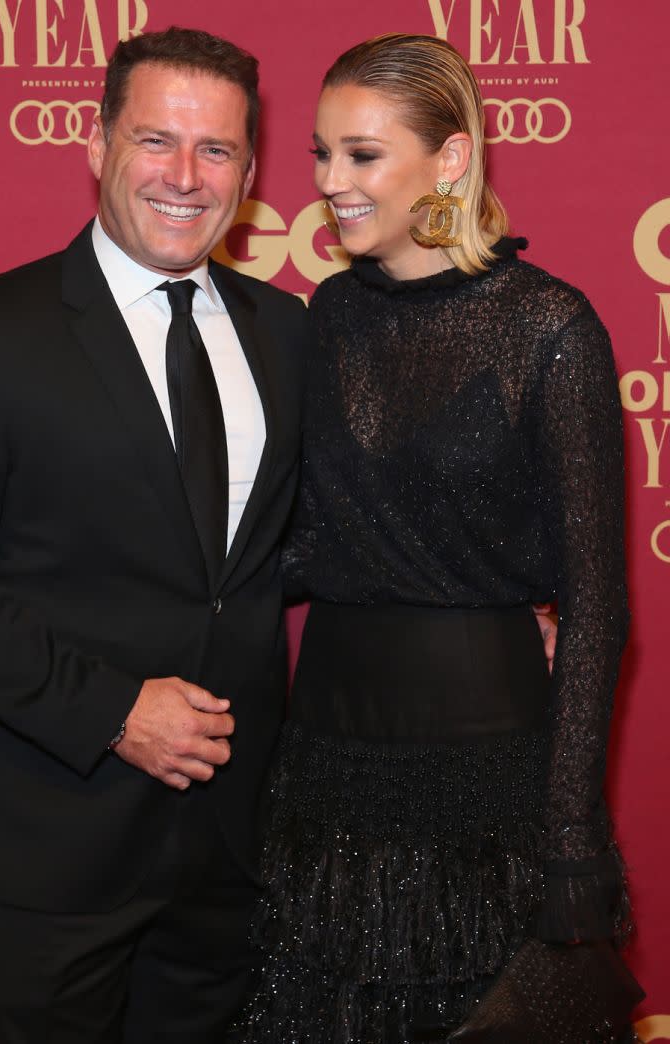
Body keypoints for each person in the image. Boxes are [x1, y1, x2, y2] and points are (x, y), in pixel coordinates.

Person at [0, 27, 309, 1044]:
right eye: (154, 140)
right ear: (97, 144)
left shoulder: (288, 334)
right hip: (55, 829)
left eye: (215, 151)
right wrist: (115, 711)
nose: (183, 175)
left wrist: (500, 601)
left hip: (231, 840)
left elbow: (307, 545)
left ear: (248, 172)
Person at [234, 33, 632, 1044]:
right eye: (320, 154)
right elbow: (304, 537)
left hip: (480, 758)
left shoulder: (549, 328)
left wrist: (569, 833)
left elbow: (594, 609)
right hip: (322, 747)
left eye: (361, 155)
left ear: (449, 158)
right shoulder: (322, 316)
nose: (329, 182)